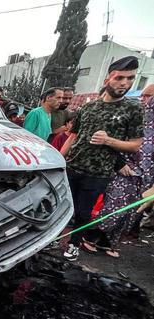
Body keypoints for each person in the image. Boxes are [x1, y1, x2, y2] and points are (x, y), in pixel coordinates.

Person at [62, 56, 144, 261]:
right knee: (64, 207)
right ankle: (56, 237)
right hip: (73, 165)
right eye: (120, 78)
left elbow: (136, 144)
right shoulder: (89, 107)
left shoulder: (133, 109)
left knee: (83, 212)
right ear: (108, 78)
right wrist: (59, 158)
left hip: (98, 173)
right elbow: (73, 135)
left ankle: (73, 244)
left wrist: (109, 141)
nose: (124, 83)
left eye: (130, 78)